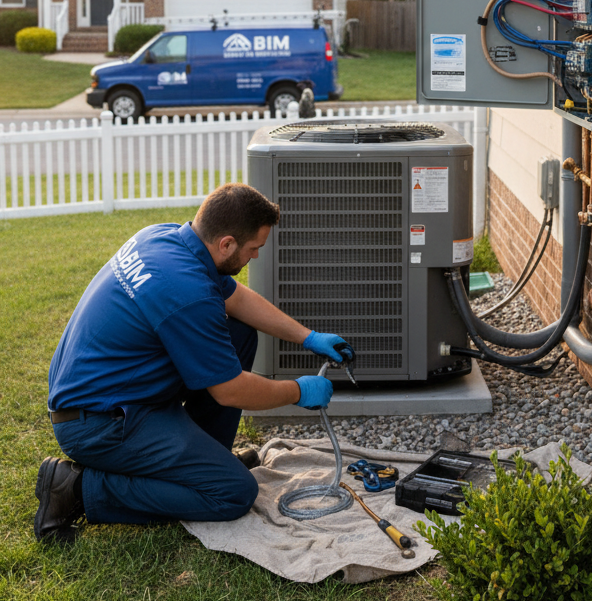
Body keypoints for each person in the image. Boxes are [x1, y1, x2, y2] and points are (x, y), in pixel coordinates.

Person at [34, 183, 354, 543]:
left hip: (109, 392)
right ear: (226, 244)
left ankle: (207, 459)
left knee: (239, 333)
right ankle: (76, 487)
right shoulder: (188, 293)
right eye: (254, 248)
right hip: (100, 424)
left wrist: (308, 337)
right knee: (233, 493)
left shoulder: (164, 238)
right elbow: (231, 391)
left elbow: (237, 300)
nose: (255, 256)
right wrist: (298, 391)